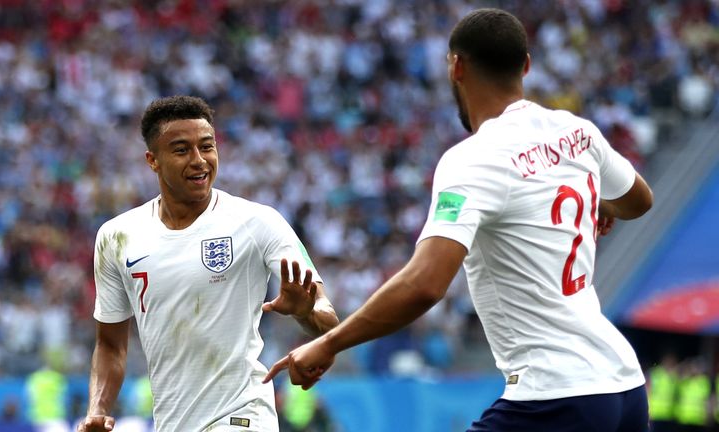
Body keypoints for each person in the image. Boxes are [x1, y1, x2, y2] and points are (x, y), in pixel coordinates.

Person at [265, 8, 654, 432]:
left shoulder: (473, 159)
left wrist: (329, 343)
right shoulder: (577, 132)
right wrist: (598, 202)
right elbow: (638, 200)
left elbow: (424, 284)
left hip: (554, 395)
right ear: (526, 65)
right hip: (624, 386)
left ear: (456, 66)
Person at [78, 95, 339, 432]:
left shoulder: (258, 222)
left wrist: (305, 311)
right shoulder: (117, 237)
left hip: (244, 416)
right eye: (182, 150)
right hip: (173, 423)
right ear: (152, 160)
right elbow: (111, 344)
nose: (200, 160)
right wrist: (97, 410)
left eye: (207, 146)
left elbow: (331, 323)